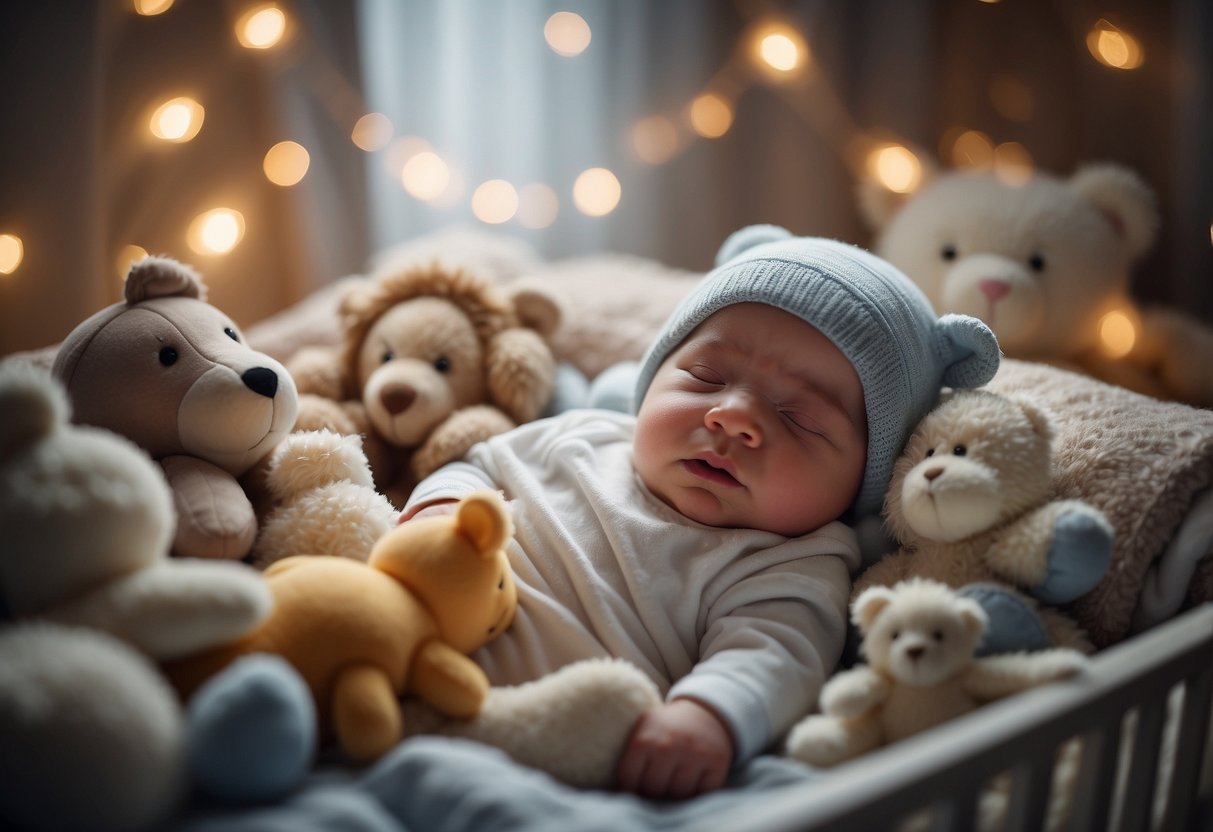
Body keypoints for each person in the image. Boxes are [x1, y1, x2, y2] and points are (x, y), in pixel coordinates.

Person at [401, 224, 1000, 800]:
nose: (733, 415)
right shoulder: (585, 435)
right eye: (705, 376)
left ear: (863, 481)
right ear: (653, 374)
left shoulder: (790, 562)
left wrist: (704, 716)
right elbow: (479, 464)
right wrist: (440, 509)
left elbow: (773, 658)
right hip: (396, 640)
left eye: (800, 419)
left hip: (528, 741)